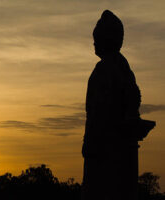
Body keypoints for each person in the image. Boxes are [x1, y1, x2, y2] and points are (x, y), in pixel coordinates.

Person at [81, 10, 142, 200]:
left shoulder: (106, 70)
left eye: (97, 37)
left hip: (104, 153)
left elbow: (98, 113)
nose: (94, 42)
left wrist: (90, 143)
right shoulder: (122, 68)